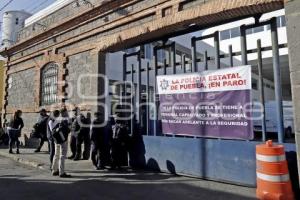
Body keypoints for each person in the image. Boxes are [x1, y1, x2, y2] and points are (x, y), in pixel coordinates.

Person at [49, 109, 71, 178]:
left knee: (56, 155)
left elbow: (52, 130)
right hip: (63, 140)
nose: (67, 113)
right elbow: (68, 130)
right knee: (62, 156)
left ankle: (54, 170)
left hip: (56, 140)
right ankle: (62, 172)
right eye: (66, 112)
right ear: (64, 113)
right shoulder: (64, 120)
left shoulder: (55, 120)